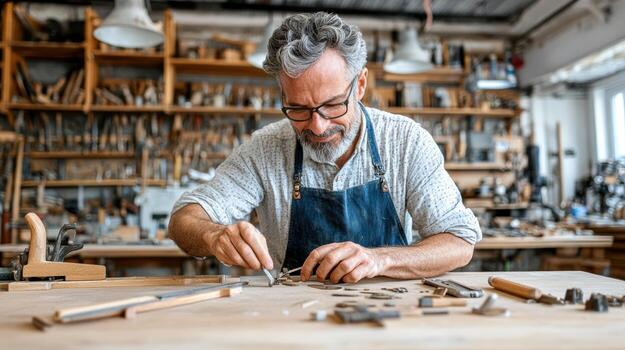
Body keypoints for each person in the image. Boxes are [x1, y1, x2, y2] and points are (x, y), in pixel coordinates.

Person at [168, 12, 481, 284]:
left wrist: (380, 260)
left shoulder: (405, 142)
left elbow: (459, 241)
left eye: (332, 105)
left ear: (360, 85)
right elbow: (184, 219)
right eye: (298, 109)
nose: (317, 126)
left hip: (391, 314)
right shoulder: (265, 149)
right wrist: (213, 235)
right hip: (295, 317)